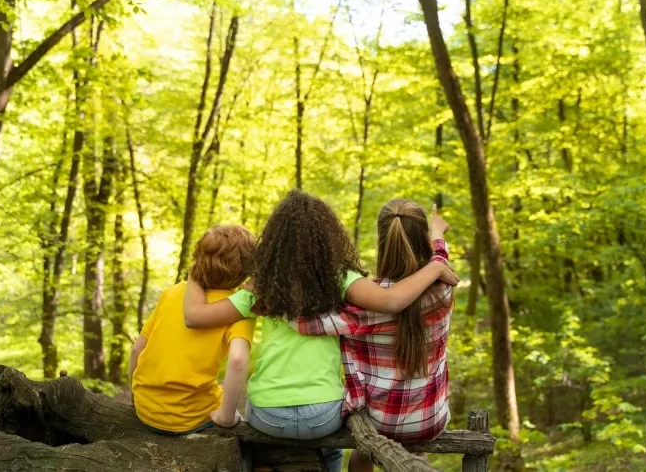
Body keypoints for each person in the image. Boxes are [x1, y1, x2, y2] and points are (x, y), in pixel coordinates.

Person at [183, 190, 458, 472]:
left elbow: (195, 317)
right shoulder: (430, 287)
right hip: (367, 418)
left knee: (339, 451)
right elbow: (403, 290)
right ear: (330, 239)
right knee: (350, 451)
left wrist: (200, 272)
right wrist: (438, 245)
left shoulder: (268, 290)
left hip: (285, 415)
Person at [289, 199, 454, 472]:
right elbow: (441, 259)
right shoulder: (443, 289)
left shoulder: (364, 302)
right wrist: (437, 237)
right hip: (429, 420)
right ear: (422, 241)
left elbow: (303, 323)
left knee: (361, 455)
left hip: (378, 422)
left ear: (381, 241)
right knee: (416, 449)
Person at [129, 225, 257, 435]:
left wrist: (136, 400)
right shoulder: (238, 309)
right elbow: (237, 361)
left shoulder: (172, 293)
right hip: (189, 418)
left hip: (145, 408)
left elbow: (137, 350)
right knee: (239, 420)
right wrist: (226, 417)